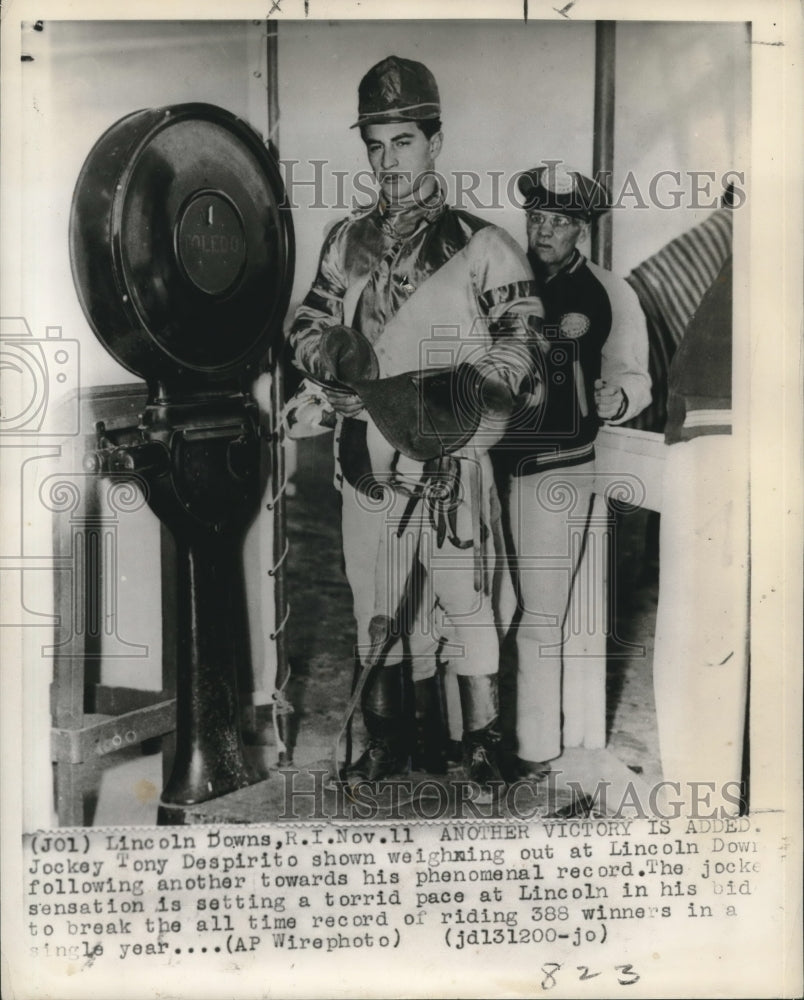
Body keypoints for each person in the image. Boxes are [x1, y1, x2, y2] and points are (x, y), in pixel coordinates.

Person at [289, 56, 544, 794]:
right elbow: (308, 321)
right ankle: (392, 741)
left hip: (447, 450)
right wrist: (334, 355)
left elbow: (520, 338)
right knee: (376, 598)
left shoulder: (483, 243)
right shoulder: (345, 239)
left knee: (465, 598)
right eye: (374, 145)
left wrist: (467, 403)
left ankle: (484, 747)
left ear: (435, 141)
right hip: (364, 447)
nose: (386, 160)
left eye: (401, 141)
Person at [496, 162, 651, 780]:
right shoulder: (499, 282)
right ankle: (473, 733)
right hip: (490, 460)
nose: (544, 230)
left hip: (560, 466)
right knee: (479, 602)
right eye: (537, 217)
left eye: (559, 221)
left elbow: (634, 376)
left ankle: (532, 748)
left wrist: (617, 398)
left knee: (541, 611)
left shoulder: (610, 291)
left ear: (581, 228)